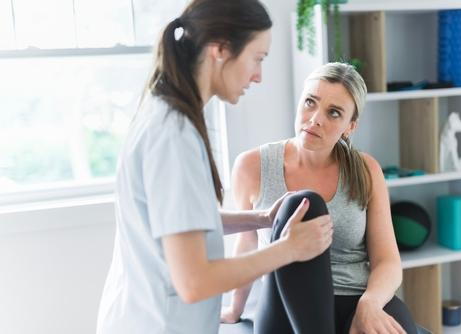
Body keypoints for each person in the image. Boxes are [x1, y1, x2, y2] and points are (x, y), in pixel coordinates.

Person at [95, 1, 334, 333]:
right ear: (220, 48)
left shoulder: (167, 114)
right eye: (257, 59)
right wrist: (288, 249)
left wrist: (261, 218)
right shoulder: (174, 136)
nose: (258, 76)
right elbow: (194, 281)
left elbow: (180, 222)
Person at [221, 62, 418, 334]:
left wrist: (370, 304)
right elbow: (247, 242)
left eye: (333, 113)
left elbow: (388, 260)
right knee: (302, 204)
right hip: (286, 306)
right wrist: (235, 309)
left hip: (355, 298)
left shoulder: (366, 170)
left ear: (350, 126)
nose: (315, 118)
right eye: (310, 102)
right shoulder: (252, 166)